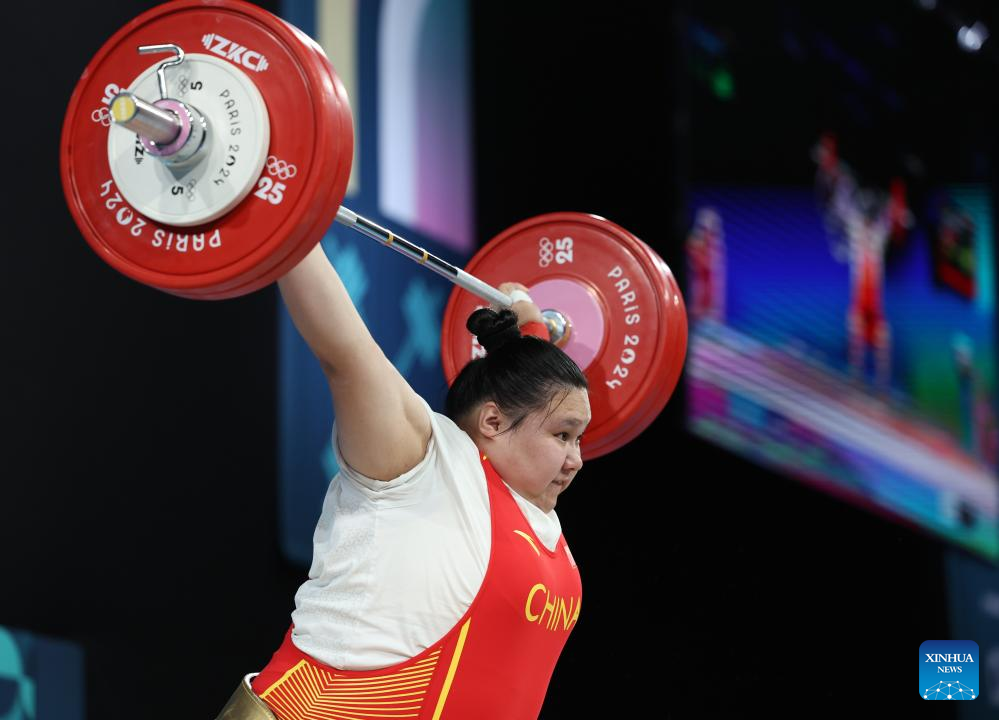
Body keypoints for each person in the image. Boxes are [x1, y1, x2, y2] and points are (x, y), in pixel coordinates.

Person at [216, 243, 591, 720]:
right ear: (493, 423)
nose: (576, 460)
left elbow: (536, 394)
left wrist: (530, 330)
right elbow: (345, 352)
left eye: (579, 439)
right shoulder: (423, 464)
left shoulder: (538, 520)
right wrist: (286, 220)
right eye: (564, 436)